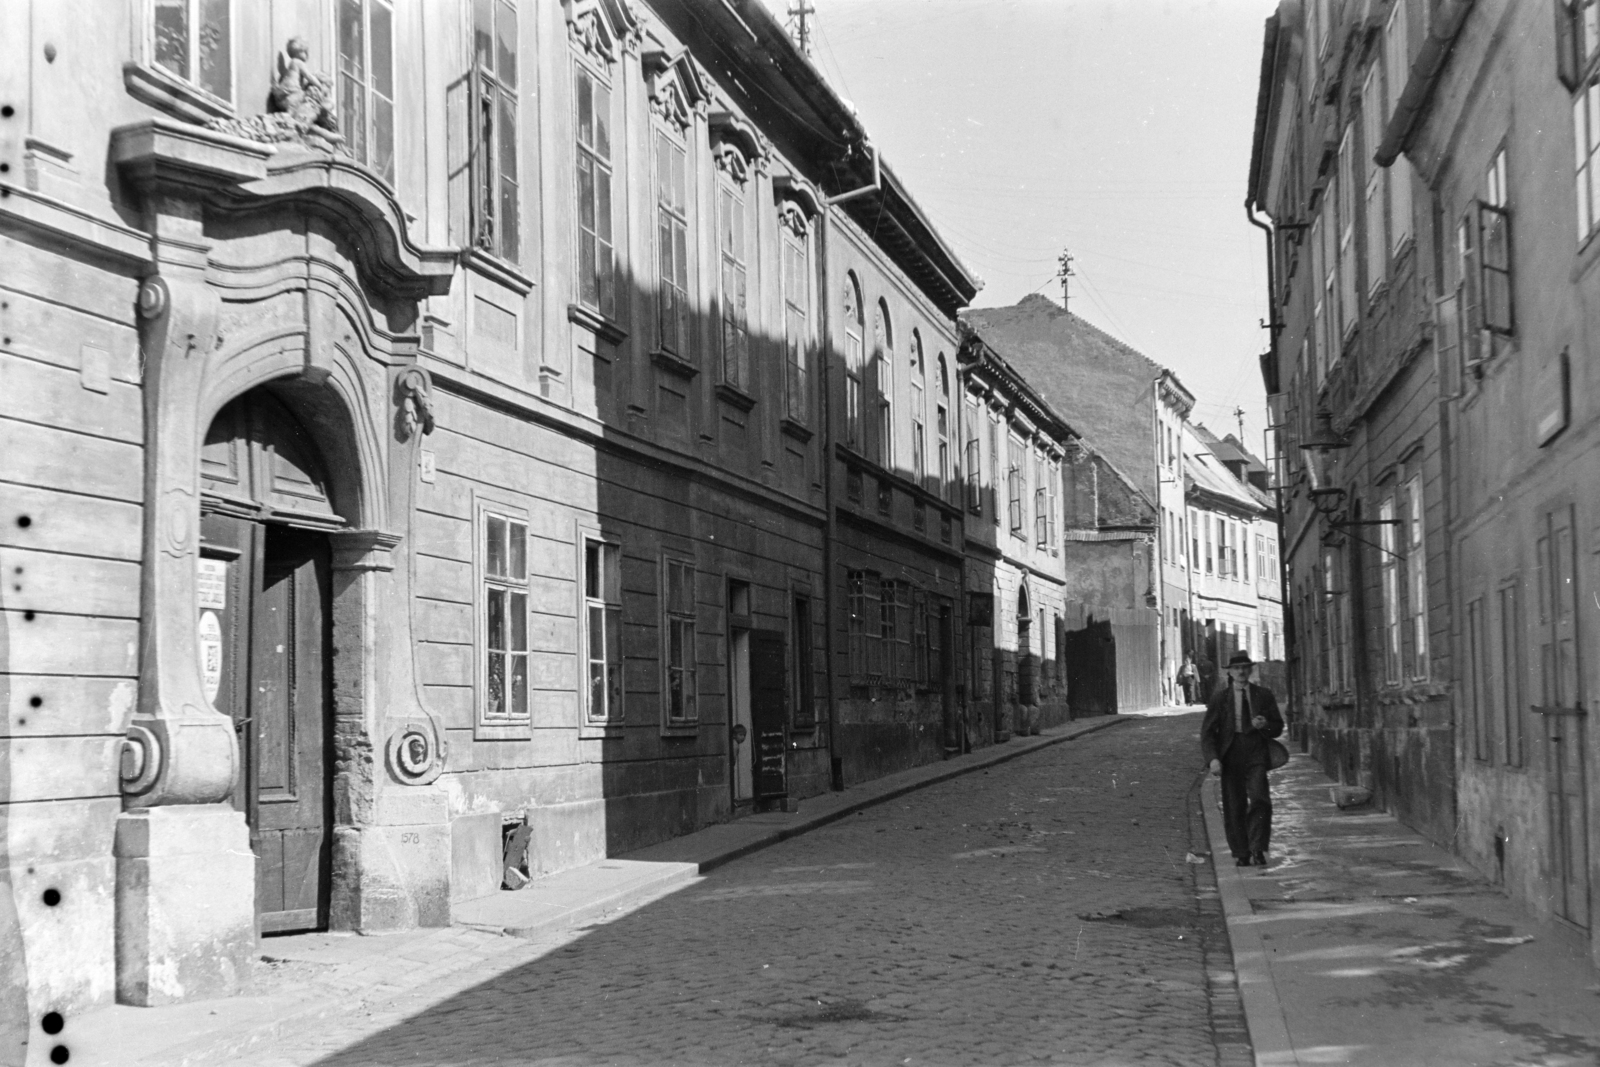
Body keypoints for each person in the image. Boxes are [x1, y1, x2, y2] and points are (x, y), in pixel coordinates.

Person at [1201, 650, 1284, 866]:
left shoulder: (1263, 695)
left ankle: (1257, 848)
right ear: (1230, 672)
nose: (1241, 672)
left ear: (1250, 670)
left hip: (1256, 751)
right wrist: (1213, 759)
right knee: (1233, 804)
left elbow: (1278, 726)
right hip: (1231, 752)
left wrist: (1265, 724)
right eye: (1236, 668)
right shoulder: (1221, 698)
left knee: (1260, 799)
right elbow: (1208, 732)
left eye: (1244, 668)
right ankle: (1241, 852)